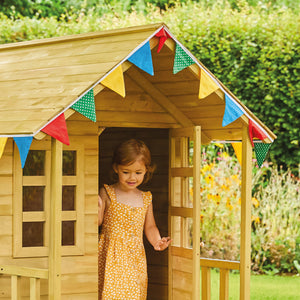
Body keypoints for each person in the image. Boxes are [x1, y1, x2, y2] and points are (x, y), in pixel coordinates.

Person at [98, 139, 171, 300]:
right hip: (112, 255)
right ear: (116, 168)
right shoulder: (107, 192)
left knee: (133, 293)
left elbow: (150, 227)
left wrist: (156, 241)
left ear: (147, 170)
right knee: (111, 294)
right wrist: (96, 207)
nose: (132, 177)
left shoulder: (145, 198)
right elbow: (97, 222)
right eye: (126, 172)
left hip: (135, 256)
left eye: (138, 173)